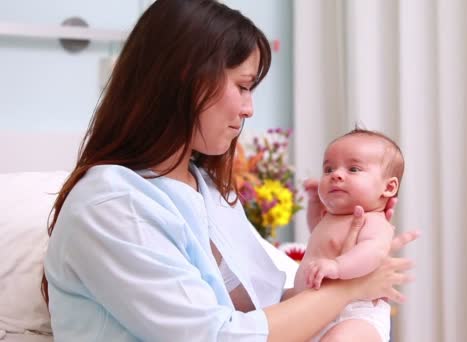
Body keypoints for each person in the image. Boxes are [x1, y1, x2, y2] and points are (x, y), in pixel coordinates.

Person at [42, 1, 418, 341]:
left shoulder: (203, 188)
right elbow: (219, 337)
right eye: (242, 86)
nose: (249, 108)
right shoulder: (111, 206)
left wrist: (348, 257)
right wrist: (350, 289)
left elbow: (262, 307)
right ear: (188, 79)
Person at [295, 129, 409, 342]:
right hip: (317, 310)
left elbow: (372, 251)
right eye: (328, 169)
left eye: (354, 169)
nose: (336, 175)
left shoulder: (374, 220)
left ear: (389, 187)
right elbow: (319, 235)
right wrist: (313, 202)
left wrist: (337, 267)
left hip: (357, 314)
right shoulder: (332, 217)